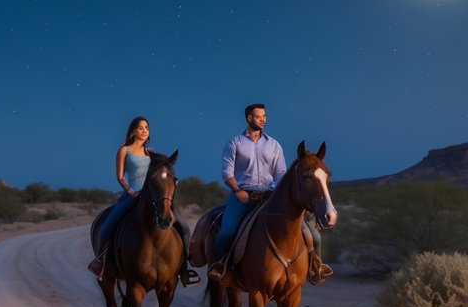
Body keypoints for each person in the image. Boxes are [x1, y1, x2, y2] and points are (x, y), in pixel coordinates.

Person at [207, 103, 332, 285]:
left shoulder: (274, 145)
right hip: (242, 197)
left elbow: (280, 173)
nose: (263, 120)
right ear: (249, 118)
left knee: (313, 234)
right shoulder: (235, 143)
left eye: (264, 116)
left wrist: (276, 192)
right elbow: (227, 172)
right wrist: (238, 190)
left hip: (270, 196)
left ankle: (316, 267)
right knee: (227, 232)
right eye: (258, 117)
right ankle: (220, 266)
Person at [88, 116, 200, 286]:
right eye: (140, 127)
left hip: (153, 196)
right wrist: (130, 191)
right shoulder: (124, 150)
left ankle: (184, 267)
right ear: (133, 131)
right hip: (132, 194)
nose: (144, 130)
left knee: (183, 226)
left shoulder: (152, 153)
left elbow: (162, 172)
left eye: (147, 127)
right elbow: (119, 176)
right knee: (108, 224)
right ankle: (101, 260)